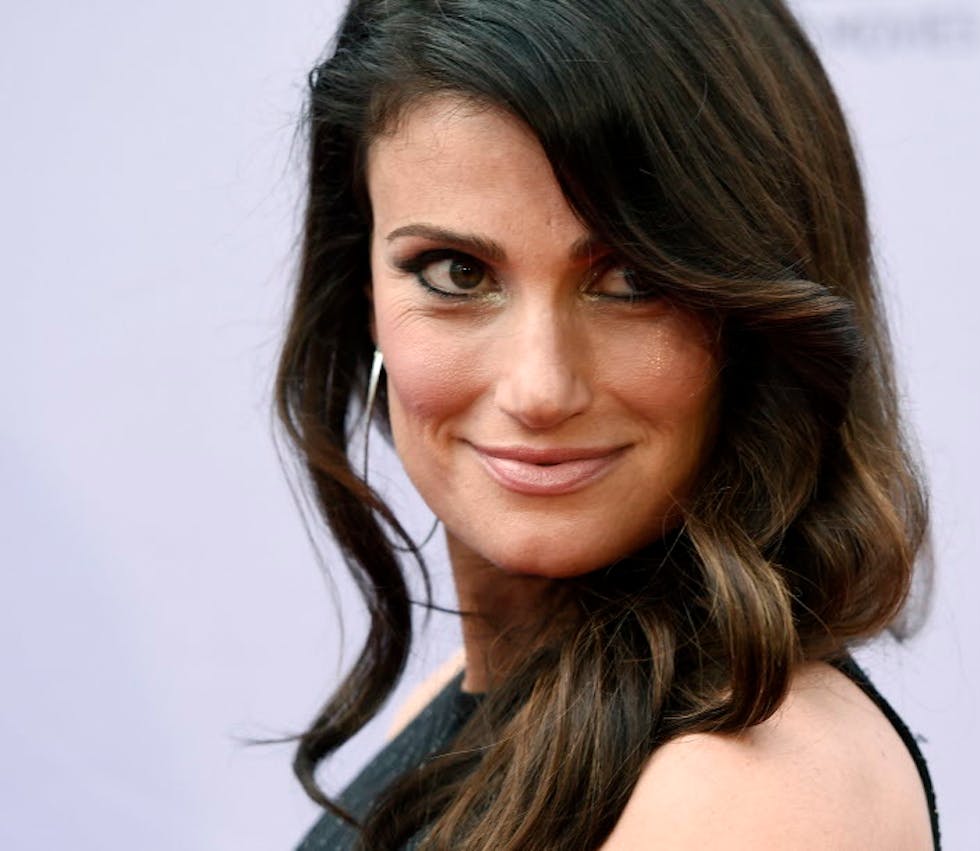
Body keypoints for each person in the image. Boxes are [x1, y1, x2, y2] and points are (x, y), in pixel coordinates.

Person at [276, 1, 938, 848]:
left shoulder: (747, 788)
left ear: (758, 317)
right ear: (362, 291)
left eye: (630, 280)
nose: (540, 388)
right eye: (456, 272)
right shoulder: (486, 694)